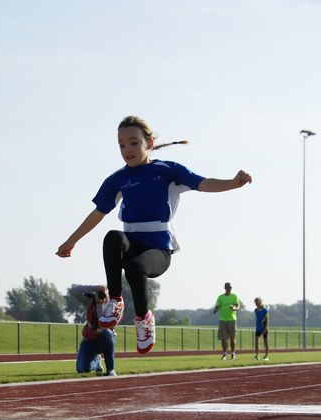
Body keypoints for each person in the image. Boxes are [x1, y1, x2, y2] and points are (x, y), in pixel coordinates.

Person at [57, 115, 252, 355]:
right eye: (121, 145)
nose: (127, 149)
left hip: (158, 249)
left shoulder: (167, 170)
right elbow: (98, 214)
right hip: (131, 244)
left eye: (133, 143)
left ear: (149, 144)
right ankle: (115, 300)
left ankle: (143, 318)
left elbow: (203, 183)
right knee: (112, 237)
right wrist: (71, 240)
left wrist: (233, 183)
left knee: (135, 268)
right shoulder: (118, 179)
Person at [69, 284, 117, 376]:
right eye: (99, 293)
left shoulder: (112, 305)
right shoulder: (90, 301)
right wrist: (93, 288)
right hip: (89, 342)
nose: (101, 295)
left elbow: (103, 325)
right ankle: (96, 361)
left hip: (104, 341)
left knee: (107, 333)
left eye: (104, 293)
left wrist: (100, 305)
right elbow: (72, 291)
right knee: (82, 369)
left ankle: (110, 369)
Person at [213, 282, 240, 360]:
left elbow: (238, 307)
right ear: (225, 288)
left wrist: (234, 308)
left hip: (232, 319)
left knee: (232, 338)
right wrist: (215, 310)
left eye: (231, 287)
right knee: (223, 338)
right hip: (222, 320)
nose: (229, 289)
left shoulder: (234, 296)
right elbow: (217, 306)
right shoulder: (220, 297)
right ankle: (224, 354)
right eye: (228, 287)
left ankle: (233, 353)